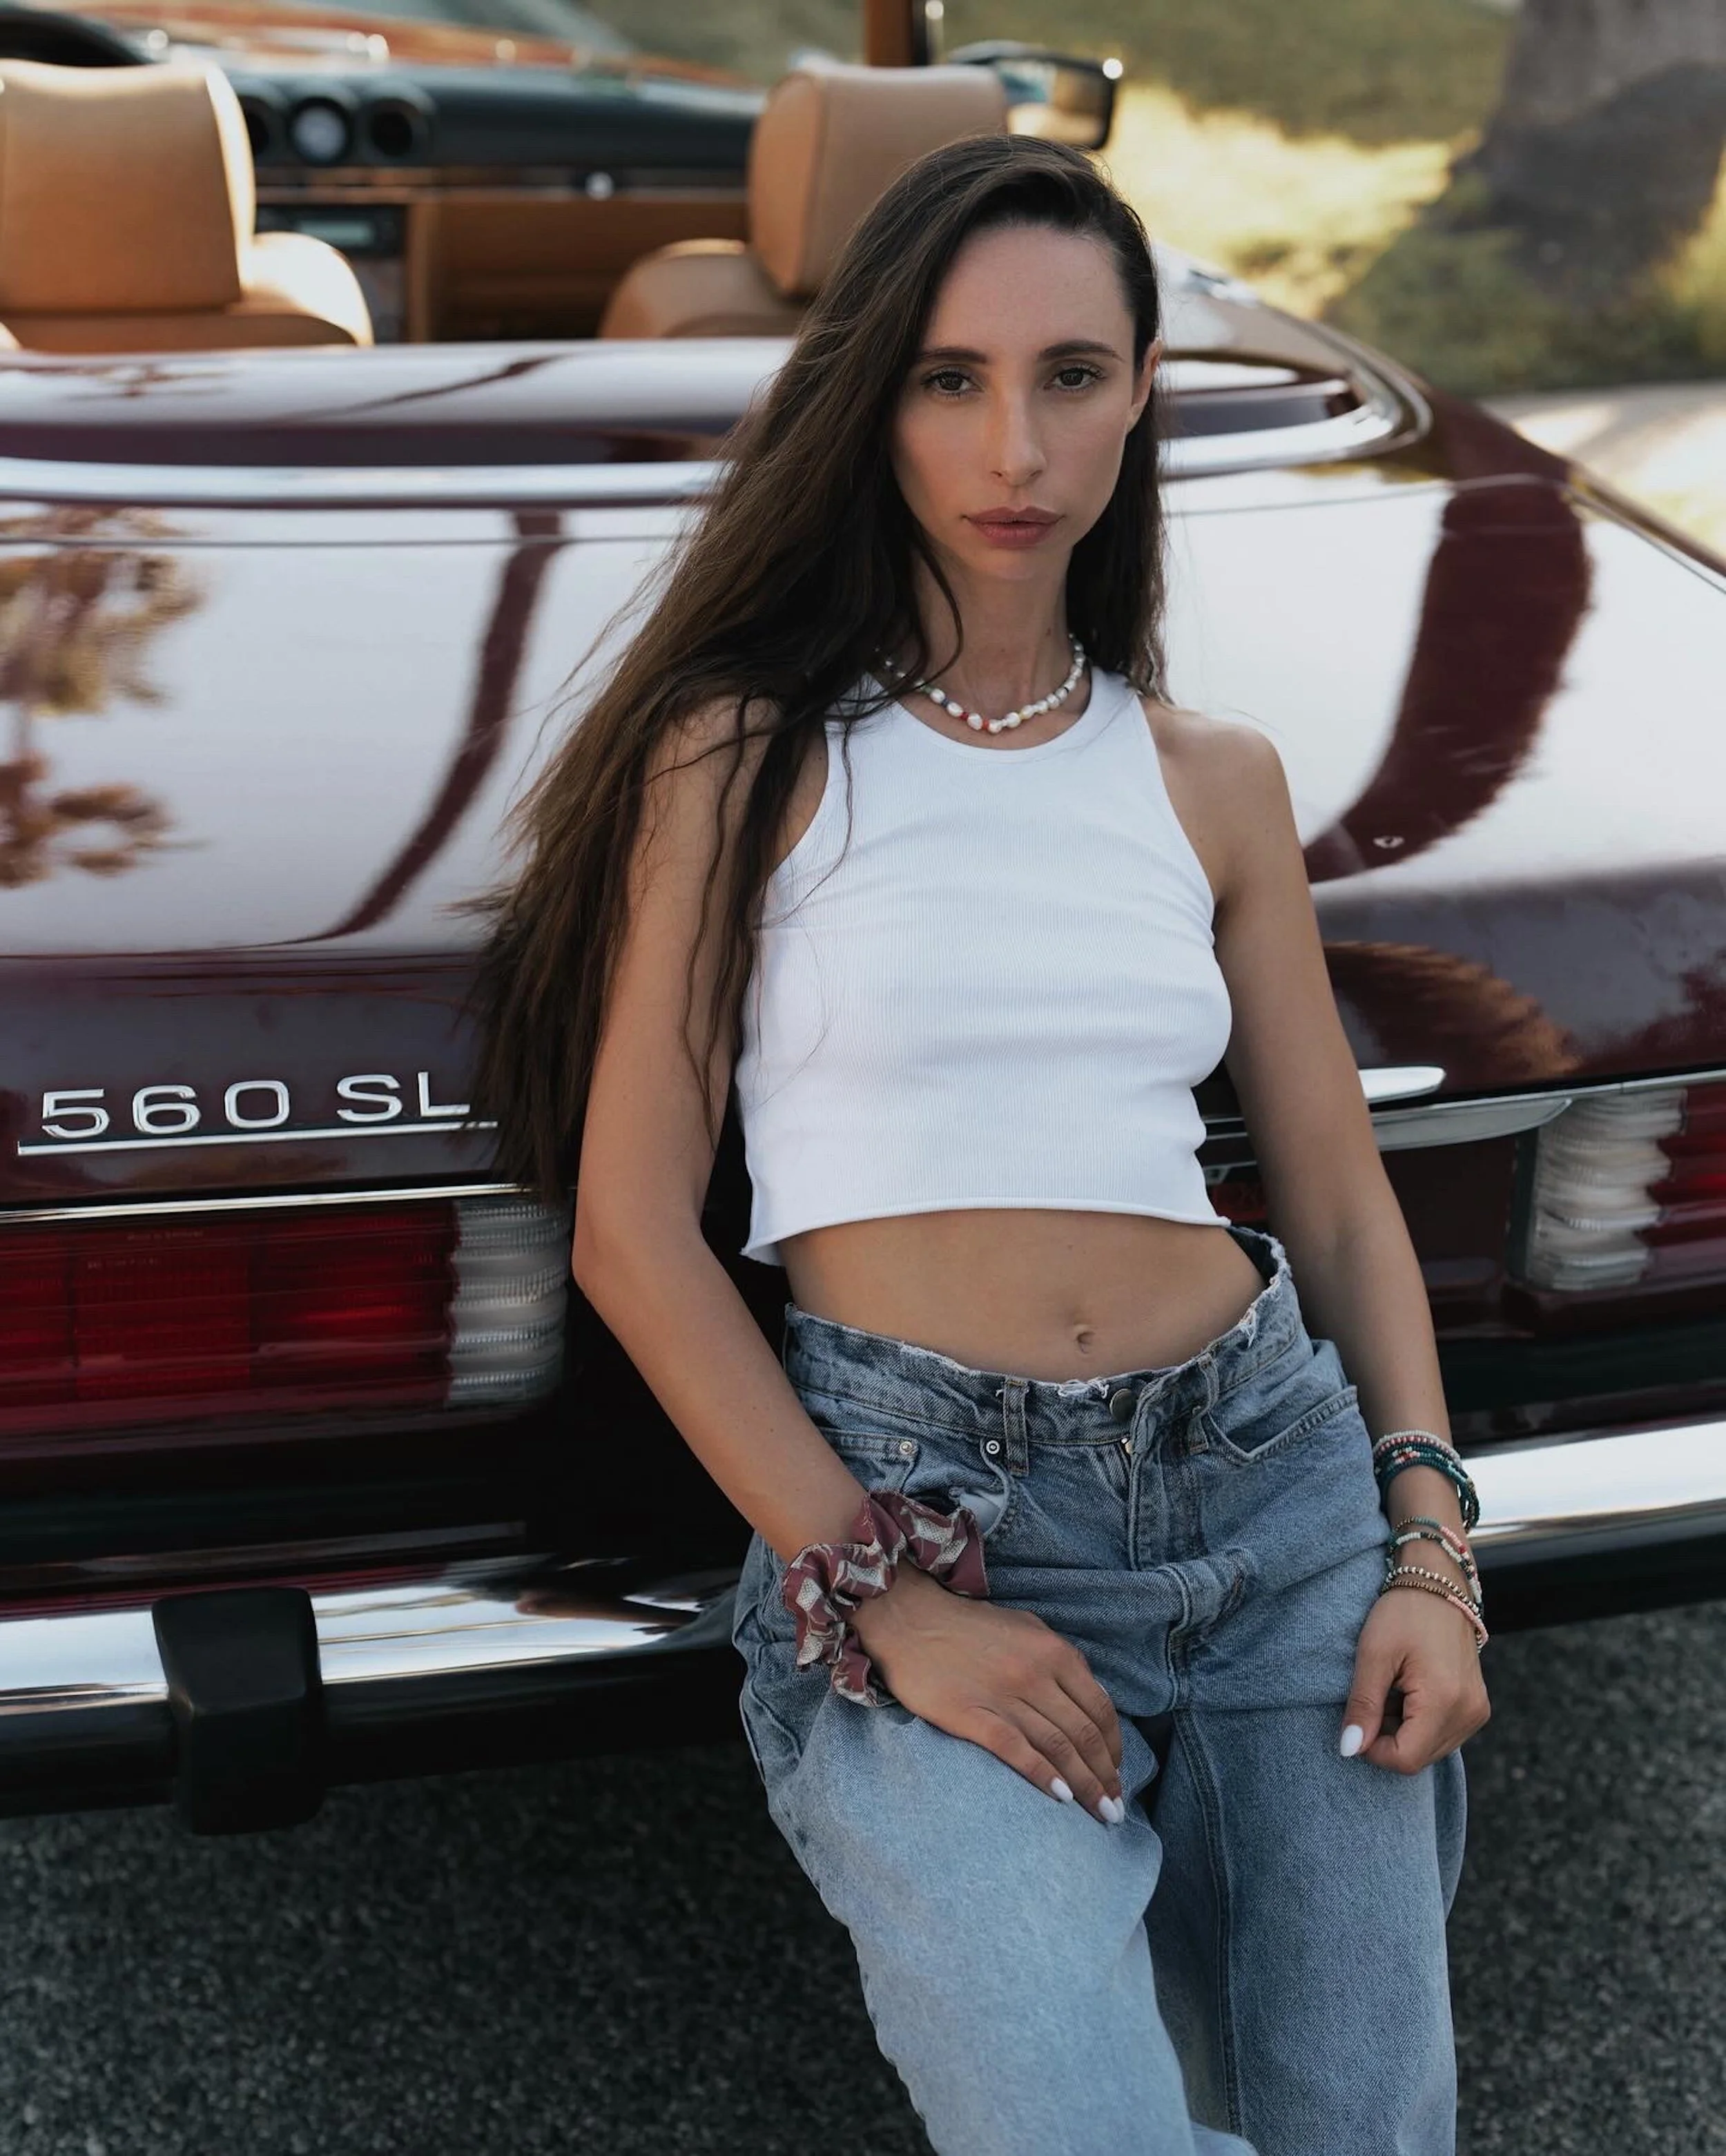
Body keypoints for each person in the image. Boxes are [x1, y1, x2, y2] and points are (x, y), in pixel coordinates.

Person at [471, 128, 1491, 2156]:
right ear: (872, 404)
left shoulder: (1207, 779)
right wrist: (882, 1591)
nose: (1014, 441)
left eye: (1073, 376)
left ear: (1136, 397)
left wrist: (1433, 1555)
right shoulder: (745, 751)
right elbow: (631, 1233)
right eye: (951, 380)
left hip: (1276, 1497)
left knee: (1359, 2128)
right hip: (922, 1505)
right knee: (1071, 2113)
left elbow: (1340, 1204)